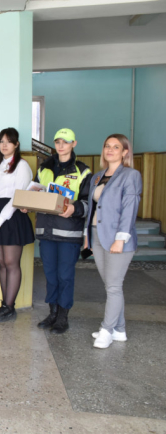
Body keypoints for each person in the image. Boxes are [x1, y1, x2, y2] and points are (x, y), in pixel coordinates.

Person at [29, 128, 91, 334]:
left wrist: (75, 208)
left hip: (68, 233)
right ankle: (52, 313)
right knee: (50, 275)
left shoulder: (83, 171)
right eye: (58, 141)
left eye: (66, 141)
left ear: (74, 144)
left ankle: (63, 316)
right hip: (46, 231)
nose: (61, 145)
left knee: (65, 276)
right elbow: (36, 193)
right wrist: (28, 203)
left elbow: (89, 203)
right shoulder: (44, 168)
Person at [84, 134, 142, 349]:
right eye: (107, 146)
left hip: (117, 238)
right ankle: (119, 330)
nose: (110, 150)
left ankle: (106, 330)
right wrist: (87, 237)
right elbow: (92, 209)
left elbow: (129, 209)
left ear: (125, 152)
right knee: (111, 286)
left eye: (116, 147)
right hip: (97, 235)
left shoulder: (131, 175)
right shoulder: (98, 176)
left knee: (114, 286)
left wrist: (120, 239)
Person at [0, 128, 34, 323]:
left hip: (11, 217)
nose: (4, 145)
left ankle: (10, 307)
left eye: (8, 141)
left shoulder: (22, 166)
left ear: (16, 144)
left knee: (11, 263)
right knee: (1, 262)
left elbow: (17, 196)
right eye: (1, 141)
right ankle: (4, 304)